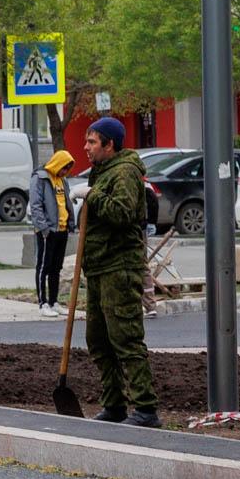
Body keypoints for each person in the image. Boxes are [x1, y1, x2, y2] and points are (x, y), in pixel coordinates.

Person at [80, 118, 159, 428]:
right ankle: (113, 404)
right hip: (99, 267)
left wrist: (92, 196)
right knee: (98, 340)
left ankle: (146, 408)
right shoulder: (103, 172)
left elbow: (123, 213)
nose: (85, 148)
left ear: (109, 144)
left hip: (119, 267)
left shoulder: (124, 172)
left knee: (125, 338)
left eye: (92, 142)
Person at [27, 149, 76, 316]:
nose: (65, 172)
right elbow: (36, 205)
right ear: (58, 164)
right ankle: (43, 303)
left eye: (67, 170)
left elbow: (65, 202)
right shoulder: (40, 178)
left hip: (62, 230)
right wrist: (44, 228)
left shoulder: (63, 181)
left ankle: (54, 301)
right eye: (64, 168)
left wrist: (70, 222)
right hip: (48, 231)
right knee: (44, 267)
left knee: (56, 268)